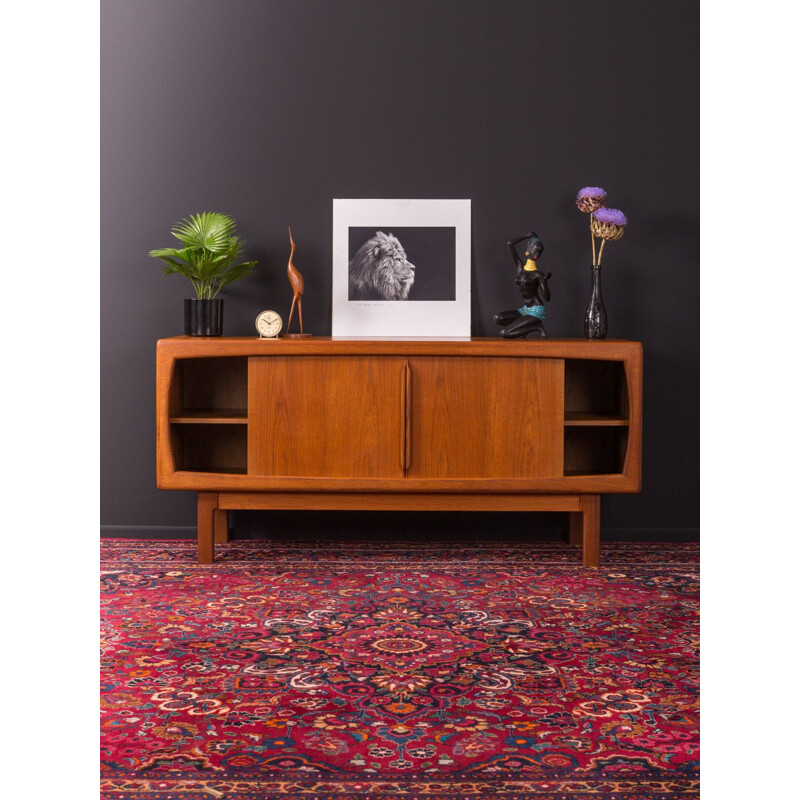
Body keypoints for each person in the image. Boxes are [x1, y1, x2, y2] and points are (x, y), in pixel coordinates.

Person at [494, 232, 552, 339]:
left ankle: (537, 327)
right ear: (528, 251)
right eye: (536, 249)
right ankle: (523, 330)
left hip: (536, 311)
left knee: (505, 333)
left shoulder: (538, 275)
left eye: (540, 251)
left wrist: (545, 281)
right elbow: (509, 244)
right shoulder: (520, 268)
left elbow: (547, 298)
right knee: (498, 318)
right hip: (524, 310)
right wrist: (526, 236)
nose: (537, 253)